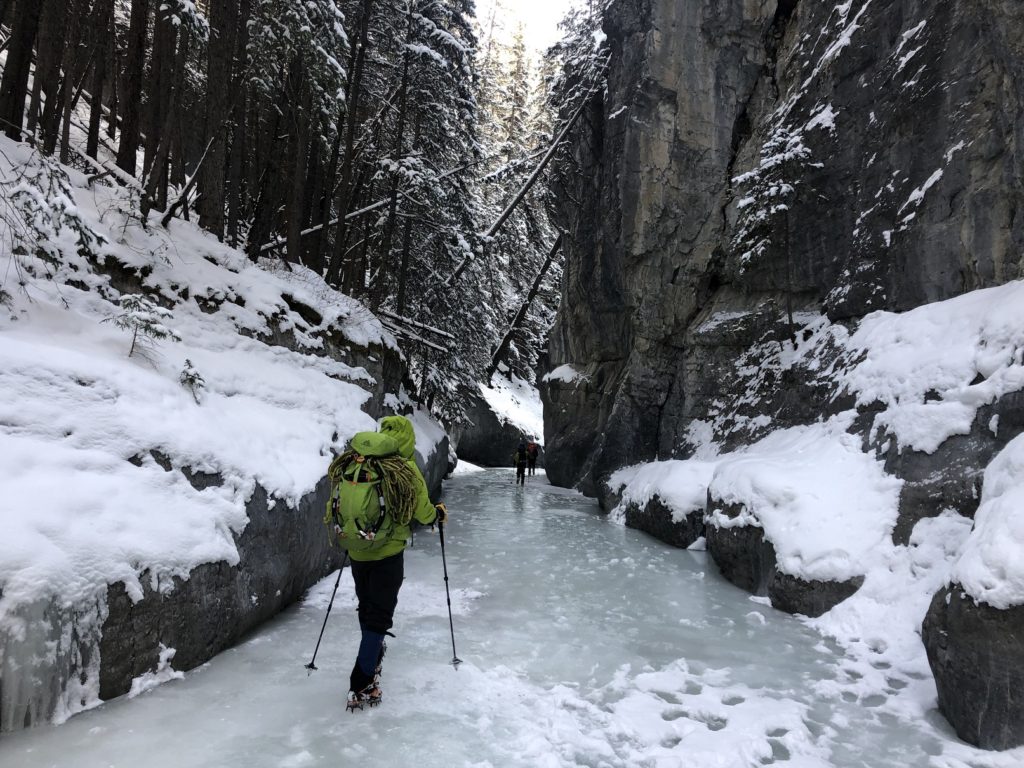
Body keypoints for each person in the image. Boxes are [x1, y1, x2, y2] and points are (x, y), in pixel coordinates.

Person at [345, 414, 447, 711]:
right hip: (387, 553)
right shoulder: (404, 468)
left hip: (357, 548)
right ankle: (361, 681)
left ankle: (372, 656)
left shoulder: (361, 463)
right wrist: (437, 515)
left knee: (367, 608)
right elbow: (423, 511)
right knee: (379, 616)